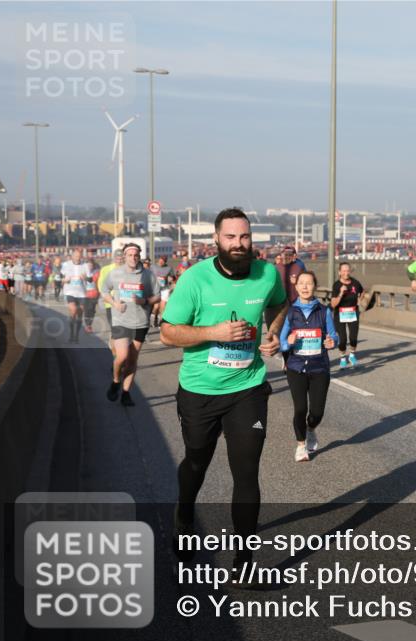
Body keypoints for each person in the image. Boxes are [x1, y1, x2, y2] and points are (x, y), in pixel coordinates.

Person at [160, 207, 288, 571]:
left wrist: (274, 331)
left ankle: (244, 561)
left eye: (244, 236)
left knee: (246, 471)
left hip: (247, 387)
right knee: (197, 460)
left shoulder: (266, 274)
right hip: (200, 390)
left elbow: (280, 303)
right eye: (230, 237)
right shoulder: (195, 280)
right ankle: (184, 515)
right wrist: (214, 332)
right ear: (216, 239)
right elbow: (169, 332)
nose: (238, 243)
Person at [279, 271, 338, 462]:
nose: (305, 287)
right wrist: (288, 342)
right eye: (301, 283)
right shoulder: (290, 311)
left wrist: (332, 342)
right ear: (296, 287)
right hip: (296, 367)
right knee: (300, 409)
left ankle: (311, 428)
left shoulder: (324, 311)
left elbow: (333, 335)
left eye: (309, 283)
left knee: (317, 412)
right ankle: (301, 446)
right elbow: (282, 342)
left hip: (319, 367)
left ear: (315, 286)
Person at [101, 243, 160, 407]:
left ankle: (126, 393)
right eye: (130, 255)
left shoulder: (148, 275)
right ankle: (115, 381)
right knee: (122, 356)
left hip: (141, 322)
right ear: (125, 256)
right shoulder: (116, 273)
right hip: (121, 320)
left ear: (139, 256)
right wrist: (114, 303)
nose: (133, 258)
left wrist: (145, 301)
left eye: (136, 255)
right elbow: (104, 290)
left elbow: (157, 297)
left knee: (133, 360)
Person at [329, 262, 364, 368]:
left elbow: (362, 291)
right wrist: (340, 293)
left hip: (353, 313)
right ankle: (343, 357)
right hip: (340, 314)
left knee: (353, 337)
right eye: (343, 271)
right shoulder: (337, 285)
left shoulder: (355, 283)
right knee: (343, 339)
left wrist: (359, 300)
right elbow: (333, 304)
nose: (346, 273)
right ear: (339, 272)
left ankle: (352, 355)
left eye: (348, 270)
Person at [60, 248, 93, 343]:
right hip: (69, 292)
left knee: (79, 315)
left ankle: (76, 335)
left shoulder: (85, 265)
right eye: (76, 256)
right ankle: (71, 334)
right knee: (73, 310)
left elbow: (90, 280)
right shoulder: (66, 265)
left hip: (82, 293)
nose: (77, 258)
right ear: (72, 256)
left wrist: (85, 278)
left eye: (79, 256)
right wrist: (64, 280)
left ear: (81, 257)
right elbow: (60, 276)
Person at [98, 249, 124, 333]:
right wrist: (105, 295)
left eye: (121, 258)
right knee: (114, 327)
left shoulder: (128, 269)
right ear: (114, 258)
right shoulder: (106, 269)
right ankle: (115, 343)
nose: (119, 261)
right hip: (110, 301)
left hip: (124, 301)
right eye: (117, 258)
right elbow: (101, 284)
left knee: (123, 326)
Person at [151, 256, 176, 328]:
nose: (162, 262)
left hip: (165, 288)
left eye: (164, 261)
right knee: (156, 306)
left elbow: (173, 278)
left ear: (165, 262)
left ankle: (161, 321)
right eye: (161, 260)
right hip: (155, 289)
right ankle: (155, 318)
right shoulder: (153, 267)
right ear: (159, 259)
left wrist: (172, 284)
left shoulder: (169, 268)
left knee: (163, 305)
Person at [83, 257, 100, 333]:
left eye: (91, 265)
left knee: (92, 310)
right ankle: (88, 325)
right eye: (88, 265)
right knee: (87, 310)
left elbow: (95, 281)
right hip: (85, 294)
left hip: (94, 293)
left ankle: (89, 324)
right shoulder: (82, 272)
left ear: (93, 265)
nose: (89, 266)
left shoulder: (97, 272)